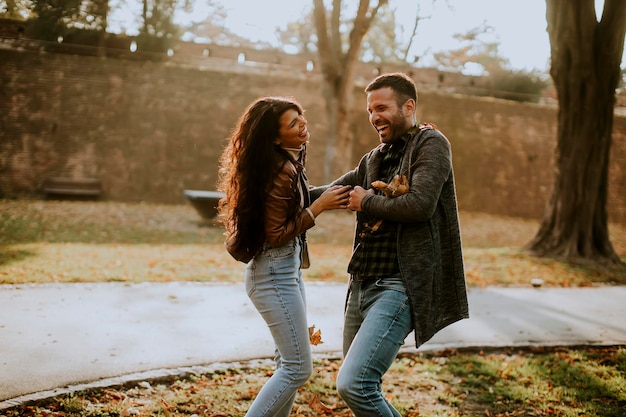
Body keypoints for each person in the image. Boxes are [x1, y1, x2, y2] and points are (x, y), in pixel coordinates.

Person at [325, 72, 469, 416]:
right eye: (370, 110)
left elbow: (420, 205)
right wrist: (282, 193)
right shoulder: (375, 156)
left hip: (398, 284)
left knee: (354, 383)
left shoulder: (431, 144)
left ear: (408, 106)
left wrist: (367, 203)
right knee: (358, 386)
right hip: (360, 284)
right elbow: (332, 191)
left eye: (382, 107)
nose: (374, 116)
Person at [216, 96, 351, 417]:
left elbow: (298, 199)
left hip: (285, 273)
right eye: (293, 123)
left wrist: (341, 185)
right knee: (297, 368)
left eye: (302, 118)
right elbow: (277, 234)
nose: (303, 124)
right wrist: (319, 207)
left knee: (287, 364)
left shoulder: (283, 163)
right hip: (273, 276)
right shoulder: (281, 169)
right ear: (275, 137)